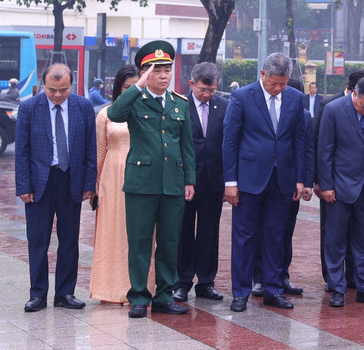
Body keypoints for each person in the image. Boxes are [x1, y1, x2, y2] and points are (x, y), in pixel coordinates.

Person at [107, 41, 196, 318]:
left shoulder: (180, 103)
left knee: (170, 242)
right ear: (145, 72)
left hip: (172, 182)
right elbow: (114, 114)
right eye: (157, 70)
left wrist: (189, 180)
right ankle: (137, 297)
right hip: (142, 183)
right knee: (140, 241)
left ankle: (164, 296)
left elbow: (186, 146)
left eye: (167, 69)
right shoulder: (135, 100)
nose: (164, 75)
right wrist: (138, 86)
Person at [223, 52, 311, 313]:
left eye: (283, 83)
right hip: (248, 179)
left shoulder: (295, 98)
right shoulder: (242, 97)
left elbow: (299, 140)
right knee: (244, 236)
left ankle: (273, 289)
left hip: (282, 179)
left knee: (276, 236)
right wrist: (231, 181)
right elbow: (230, 140)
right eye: (274, 83)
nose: (278, 88)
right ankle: (241, 292)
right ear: (263, 74)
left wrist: (300, 178)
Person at [15, 63, 97, 312]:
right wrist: (23, 186)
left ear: (71, 85)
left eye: (64, 89)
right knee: (38, 240)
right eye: (53, 90)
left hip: (71, 179)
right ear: (43, 86)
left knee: (69, 239)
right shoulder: (29, 107)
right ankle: (38, 294)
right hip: (40, 181)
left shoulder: (83, 106)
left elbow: (90, 147)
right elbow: (21, 151)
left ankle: (65, 293)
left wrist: (89, 183)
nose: (58, 95)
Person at [317, 76, 364, 307]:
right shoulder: (333, 110)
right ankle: (337, 288)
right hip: (339, 187)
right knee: (336, 240)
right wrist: (326, 186)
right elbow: (325, 151)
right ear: (355, 94)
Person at [91, 64, 153, 304]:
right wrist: (94, 185)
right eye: (127, 88)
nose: (132, 92)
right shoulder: (106, 114)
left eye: (137, 87)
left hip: (144, 176)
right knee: (113, 232)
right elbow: (99, 150)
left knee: (140, 233)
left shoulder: (150, 112)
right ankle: (109, 288)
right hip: (113, 177)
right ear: (118, 89)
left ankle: (141, 289)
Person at [309, 68, 364, 292]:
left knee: (360, 233)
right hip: (335, 181)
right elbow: (320, 144)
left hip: (363, 182)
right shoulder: (329, 106)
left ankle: (355, 276)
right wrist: (318, 180)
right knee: (333, 232)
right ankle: (333, 277)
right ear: (352, 90)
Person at [174, 62, 227, 303]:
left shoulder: (224, 107)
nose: (207, 95)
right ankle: (182, 281)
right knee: (183, 231)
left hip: (214, 180)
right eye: (203, 89)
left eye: (212, 90)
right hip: (185, 181)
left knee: (209, 231)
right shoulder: (179, 106)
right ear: (192, 84)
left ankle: (206, 282)